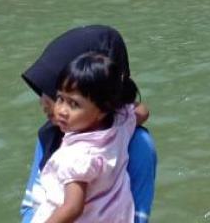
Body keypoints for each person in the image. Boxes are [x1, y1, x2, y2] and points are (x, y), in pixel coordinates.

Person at [21, 27, 156, 223]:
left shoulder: (138, 145)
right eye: (59, 97)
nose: (43, 102)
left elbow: (138, 217)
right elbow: (30, 206)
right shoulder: (54, 132)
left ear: (103, 106)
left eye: (73, 102)